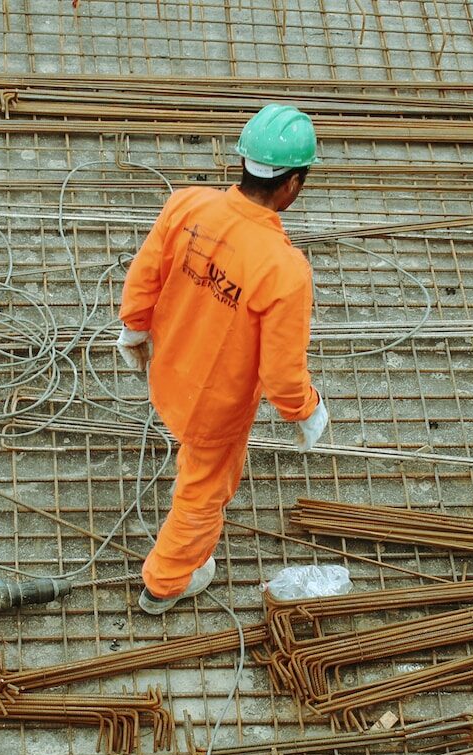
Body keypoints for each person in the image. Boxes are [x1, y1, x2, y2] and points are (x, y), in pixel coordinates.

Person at [115, 104, 329, 615]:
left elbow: (145, 274)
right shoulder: (284, 270)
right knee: (203, 493)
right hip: (214, 407)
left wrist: (133, 328)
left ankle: (173, 569)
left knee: (194, 465)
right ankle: (165, 584)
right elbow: (281, 375)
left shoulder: (187, 206)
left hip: (167, 372)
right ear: (293, 185)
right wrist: (307, 410)